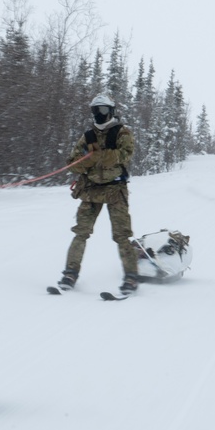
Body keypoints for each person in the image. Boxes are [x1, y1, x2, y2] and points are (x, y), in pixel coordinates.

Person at [56, 94, 139, 295]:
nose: (99, 115)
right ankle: (70, 273)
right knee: (80, 233)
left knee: (121, 235)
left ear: (110, 111)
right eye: (95, 111)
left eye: (102, 110)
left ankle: (131, 277)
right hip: (91, 190)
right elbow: (73, 162)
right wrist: (91, 160)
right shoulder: (88, 136)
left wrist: (96, 157)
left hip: (115, 190)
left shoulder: (122, 132)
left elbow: (125, 155)